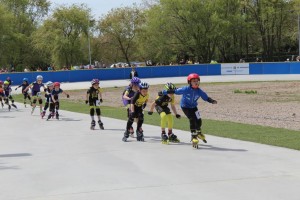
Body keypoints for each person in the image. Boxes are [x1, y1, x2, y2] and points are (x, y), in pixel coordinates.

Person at [162, 73, 217, 149]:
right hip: (185, 107)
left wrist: (211, 101)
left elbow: (205, 97)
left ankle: (198, 132)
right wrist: (163, 92)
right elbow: (174, 91)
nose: (196, 82)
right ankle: (194, 136)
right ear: (189, 82)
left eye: (197, 80)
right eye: (194, 81)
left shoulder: (199, 91)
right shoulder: (185, 89)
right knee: (192, 119)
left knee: (199, 121)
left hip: (194, 107)